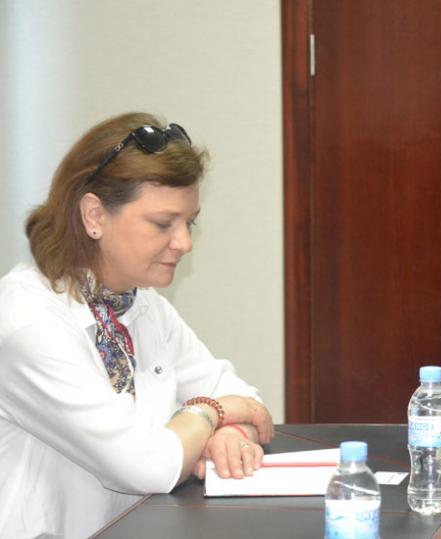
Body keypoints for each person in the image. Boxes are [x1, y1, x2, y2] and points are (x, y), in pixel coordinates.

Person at [0, 112, 275, 538]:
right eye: (163, 224)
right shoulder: (26, 321)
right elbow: (148, 466)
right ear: (94, 215)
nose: (183, 243)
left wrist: (228, 433)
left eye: (190, 223)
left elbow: (242, 396)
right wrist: (212, 412)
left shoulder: (140, 303)